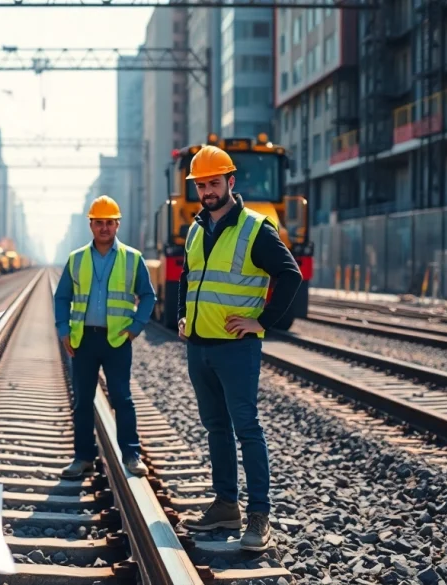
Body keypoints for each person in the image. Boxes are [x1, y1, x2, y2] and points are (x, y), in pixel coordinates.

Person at [176, 145, 301, 551]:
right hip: (199, 347)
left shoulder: (255, 227)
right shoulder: (196, 229)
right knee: (216, 428)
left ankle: (259, 517)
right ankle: (226, 505)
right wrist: (182, 315)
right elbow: (188, 277)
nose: (207, 191)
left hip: (236, 347)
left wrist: (262, 322)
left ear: (230, 182)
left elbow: (289, 274)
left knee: (247, 429)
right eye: (201, 184)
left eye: (214, 183)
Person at [53, 195, 156, 479]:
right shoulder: (76, 259)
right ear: (91, 225)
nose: (104, 228)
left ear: (117, 224)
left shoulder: (133, 258)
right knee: (83, 401)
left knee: (122, 398)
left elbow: (148, 295)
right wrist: (63, 330)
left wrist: (136, 327)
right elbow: (62, 297)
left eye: (109, 223)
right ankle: (83, 457)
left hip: (117, 341)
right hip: (83, 340)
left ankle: (132, 455)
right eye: (99, 223)